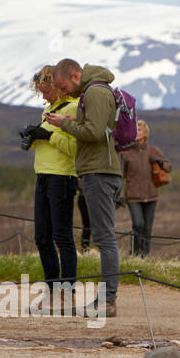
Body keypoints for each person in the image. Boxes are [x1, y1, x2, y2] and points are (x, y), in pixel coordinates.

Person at [45, 58, 122, 317]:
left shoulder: (96, 92)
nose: (63, 91)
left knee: (104, 237)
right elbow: (94, 128)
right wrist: (71, 119)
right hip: (96, 169)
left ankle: (108, 301)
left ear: (75, 75)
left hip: (100, 171)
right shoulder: (94, 91)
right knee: (103, 236)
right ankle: (105, 298)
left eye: (63, 85)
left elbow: (94, 132)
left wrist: (64, 124)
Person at [24, 66, 80, 309]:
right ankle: (51, 291)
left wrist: (47, 136)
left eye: (45, 91)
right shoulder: (48, 111)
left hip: (63, 176)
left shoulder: (74, 108)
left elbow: (75, 148)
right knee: (42, 237)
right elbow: (46, 146)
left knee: (62, 236)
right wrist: (34, 136)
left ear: (57, 86)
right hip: (43, 175)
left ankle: (68, 294)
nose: (43, 97)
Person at [120, 119, 171, 257]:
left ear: (145, 133)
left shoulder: (153, 150)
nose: (137, 132)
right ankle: (135, 253)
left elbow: (168, 167)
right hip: (133, 196)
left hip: (151, 195)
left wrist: (160, 161)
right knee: (138, 224)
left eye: (140, 129)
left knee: (147, 228)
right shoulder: (126, 152)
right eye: (135, 130)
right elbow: (120, 175)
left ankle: (145, 256)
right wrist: (118, 193)